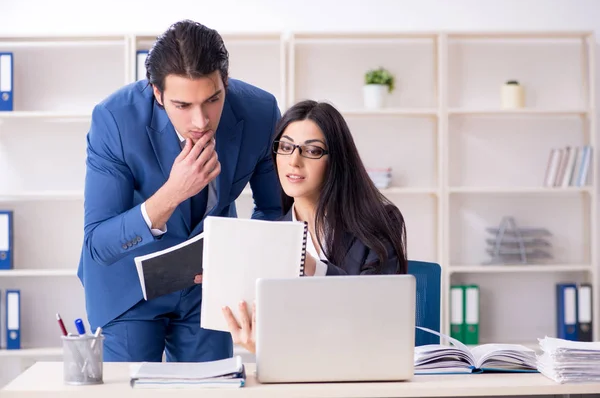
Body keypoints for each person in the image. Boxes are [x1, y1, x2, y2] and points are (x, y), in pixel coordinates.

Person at [77, 19, 282, 363]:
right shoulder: (114, 119)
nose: (201, 121)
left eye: (213, 99)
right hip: (128, 284)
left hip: (209, 284)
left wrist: (240, 267)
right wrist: (172, 193)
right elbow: (98, 243)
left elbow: (273, 207)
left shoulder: (260, 111)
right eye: (183, 106)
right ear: (157, 94)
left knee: (213, 387)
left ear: (225, 82)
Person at [220, 99, 408, 354]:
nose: (294, 161)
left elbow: (375, 314)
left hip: (361, 376)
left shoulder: (378, 223)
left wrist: (314, 268)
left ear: (337, 161)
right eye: (285, 147)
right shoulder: (271, 237)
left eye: (312, 150)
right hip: (292, 378)